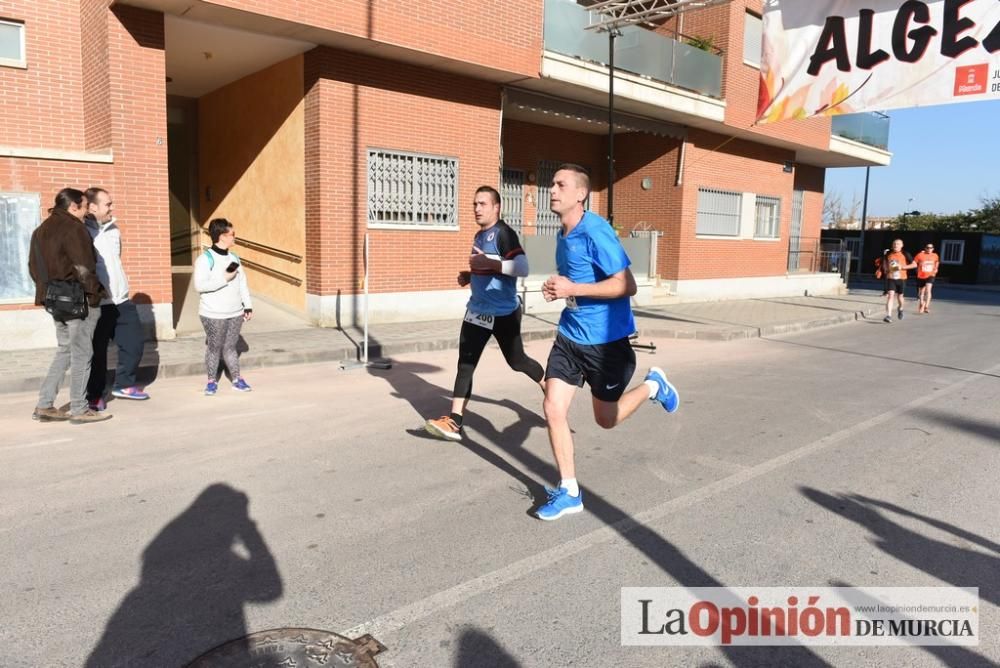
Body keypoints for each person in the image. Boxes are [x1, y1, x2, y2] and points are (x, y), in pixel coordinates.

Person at [535, 164, 679, 521]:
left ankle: (652, 386)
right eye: (551, 183)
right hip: (570, 336)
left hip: (606, 343)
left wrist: (574, 289)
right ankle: (569, 491)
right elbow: (575, 282)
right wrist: (559, 290)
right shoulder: (563, 233)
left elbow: (627, 285)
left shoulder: (596, 231)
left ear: (580, 194)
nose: (551, 189)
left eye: (560, 184)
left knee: (606, 419)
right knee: (553, 408)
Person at [424, 186, 545, 441]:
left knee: (517, 361)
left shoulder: (504, 234)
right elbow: (489, 269)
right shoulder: (480, 236)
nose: (477, 209)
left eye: (482, 204)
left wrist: (490, 263)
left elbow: (522, 267)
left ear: (496, 207)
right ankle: (454, 421)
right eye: (474, 204)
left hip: (504, 314)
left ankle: (549, 385)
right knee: (465, 365)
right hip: (477, 311)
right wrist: (471, 275)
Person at [28, 188, 112, 424]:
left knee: (65, 350)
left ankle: (45, 405)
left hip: (55, 300)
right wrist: (94, 296)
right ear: (73, 206)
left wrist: (49, 294)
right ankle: (79, 408)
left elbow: (33, 268)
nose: (87, 212)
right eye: (85, 206)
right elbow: (84, 267)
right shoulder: (75, 228)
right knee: (81, 354)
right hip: (80, 300)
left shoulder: (40, 230)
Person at [84, 187, 150, 410]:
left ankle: (124, 384)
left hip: (121, 300)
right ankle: (94, 395)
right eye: (108, 204)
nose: (112, 208)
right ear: (92, 206)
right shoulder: (82, 231)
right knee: (97, 353)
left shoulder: (114, 230)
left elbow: (116, 259)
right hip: (97, 304)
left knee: (134, 345)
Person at [193, 218, 253, 395]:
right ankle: (211, 381)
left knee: (230, 347)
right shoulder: (205, 259)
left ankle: (237, 379)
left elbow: (242, 283)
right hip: (212, 313)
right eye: (232, 234)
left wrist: (247, 306)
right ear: (221, 236)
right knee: (214, 347)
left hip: (235, 312)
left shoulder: (234, 257)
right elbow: (200, 286)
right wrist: (224, 278)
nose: (235, 237)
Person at [882, 238, 916, 323]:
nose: (895, 245)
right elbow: (885, 263)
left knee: (900, 296)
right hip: (891, 278)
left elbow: (914, 265)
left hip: (902, 278)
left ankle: (900, 308)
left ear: (901, 245)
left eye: (897, 244)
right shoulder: (888, 253)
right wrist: (885, 269)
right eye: (894, 244)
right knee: (890, 296)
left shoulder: (905, 254)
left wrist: (902, 267)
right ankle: (888, 316)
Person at [913, 242, 940, 314]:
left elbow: (937, 262)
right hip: (921, 275)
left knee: (928, 290)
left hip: (930, 275)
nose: (929, 249)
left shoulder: (935, 255)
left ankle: (926, 306)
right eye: (927, 247)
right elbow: (914, 263)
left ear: (933, 249)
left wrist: (936, 268)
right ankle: (921, 303)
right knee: (921, 292)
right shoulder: (920, 255)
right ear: (925, 248)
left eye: (931, 248)